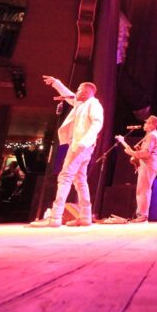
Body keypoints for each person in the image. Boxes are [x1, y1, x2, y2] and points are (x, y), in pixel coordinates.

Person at [29, 76, 104, 228]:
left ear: (87, 92)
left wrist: (83, 142)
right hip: (81, 145)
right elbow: (68, 94)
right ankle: (85, 216)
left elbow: (97, 123)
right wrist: (56, 83)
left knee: (65, 176)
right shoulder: (80, 103)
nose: (76, 92)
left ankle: (55, 217)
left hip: (81, 145)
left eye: (79, 90)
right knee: (80, 180)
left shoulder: (94, 104)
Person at [117, 115, 157, 223]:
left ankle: (142, 215)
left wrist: (132, 153)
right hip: (148, 165)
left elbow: (145, 153)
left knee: (143, 190)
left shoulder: (151, 135)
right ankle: (142, 215)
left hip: (148, 165)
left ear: (152, 125)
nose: (144, 125)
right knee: (143, 190)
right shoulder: (151, 135)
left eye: (146, 123)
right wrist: (125, 144)